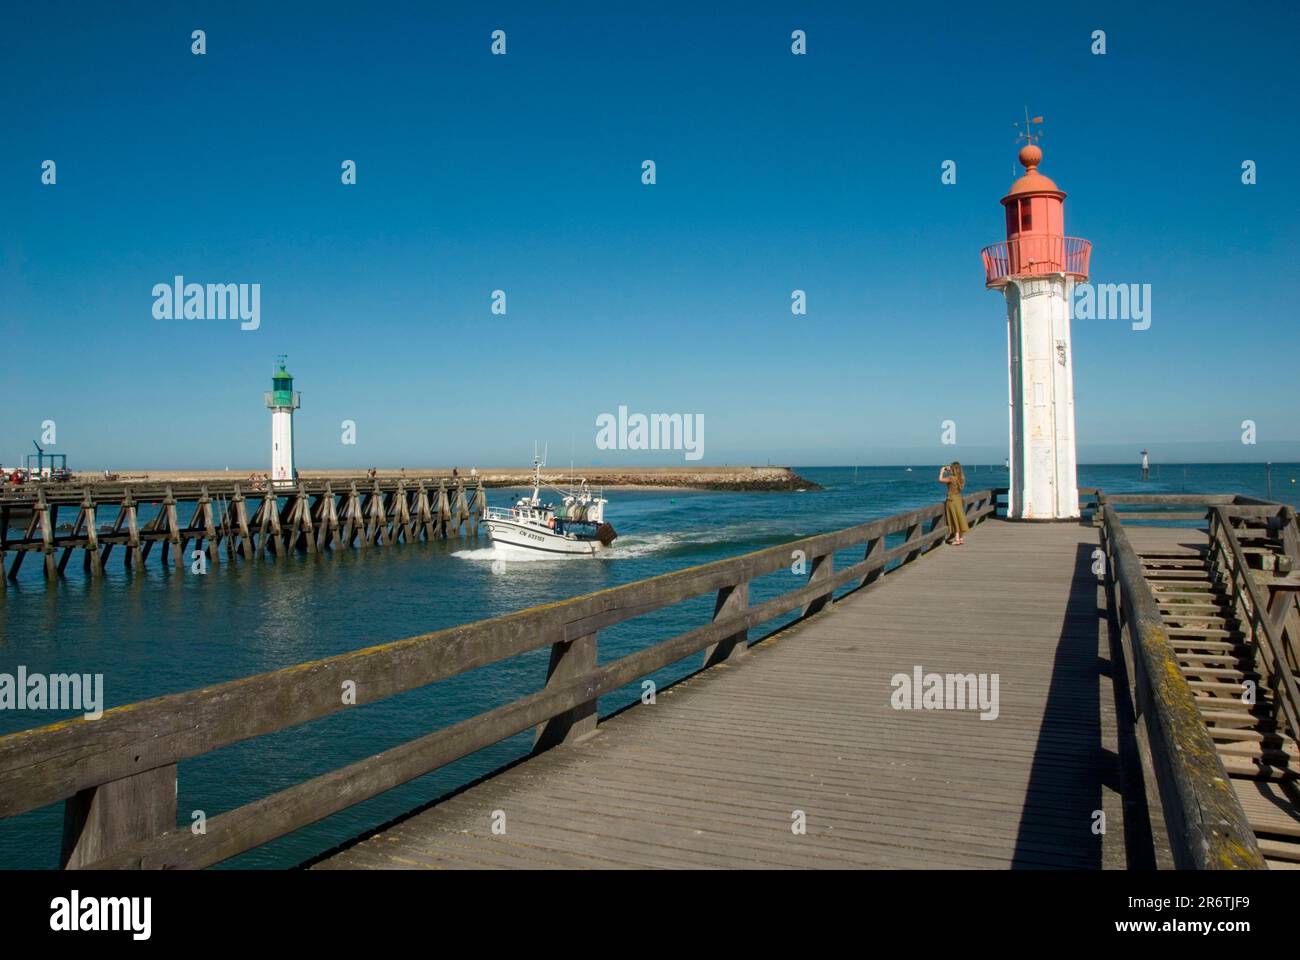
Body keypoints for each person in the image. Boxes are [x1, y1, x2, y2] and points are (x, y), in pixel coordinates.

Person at [939, 461, 968, 545]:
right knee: (960, 517)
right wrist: (950, 469)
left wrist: (941, 471)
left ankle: (957, 539)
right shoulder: (961, 478)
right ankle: (961, 538)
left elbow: (940, 480)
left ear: (953, 469)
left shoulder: (951, 478)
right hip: (958, 498)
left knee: (954, 518)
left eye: (951, 468)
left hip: (952, 500)